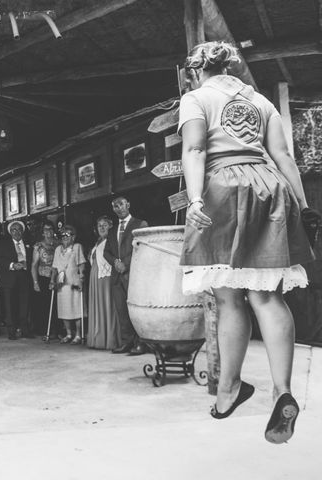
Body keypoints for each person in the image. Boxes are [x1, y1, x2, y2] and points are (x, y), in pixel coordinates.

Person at [178, 41, 317, 444]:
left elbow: (195, 148)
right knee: (269, 297)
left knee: (229, 299)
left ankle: (230, 388)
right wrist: (305, 207)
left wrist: (196, 198)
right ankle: (282, 389)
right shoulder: (260, 101)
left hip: (223, 188)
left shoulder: (196, 97)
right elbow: (283, 155)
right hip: (271, 188)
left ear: (196, 71)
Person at [104, 195, 148, 355]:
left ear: (128, 205)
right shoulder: (111, 230)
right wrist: (115, 262)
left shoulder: (139, 224)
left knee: (137, 310)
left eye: (121, 204)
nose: (118, 208)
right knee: (122, 311)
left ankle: (141, 344)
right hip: (117, 277)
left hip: (134, 275)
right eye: (115, 206)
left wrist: (126, 264)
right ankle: (127, 343)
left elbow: (142, 247)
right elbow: (106, 252)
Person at [87, 216, 120, 350]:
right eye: (99, 225)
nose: (101, 227)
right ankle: (99, 337)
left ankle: (110, 339)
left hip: (106, 277)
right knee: (99, 305)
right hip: (96, 278)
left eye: (104, 225)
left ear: (110, 227)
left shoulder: (112, 241)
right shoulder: (98, 241)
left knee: (108, 305)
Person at [0, 220, 33, 340]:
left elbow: (33, 259)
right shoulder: (3, 244)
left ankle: (24, 330)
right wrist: (12, 265)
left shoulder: (29, 243)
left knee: (25, 304)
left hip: (24, 277)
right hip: (9, 278)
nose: (16, 232)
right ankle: (11, 331)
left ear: (22, 231)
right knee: (10, 306)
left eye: (18, 229)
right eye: (13, 230)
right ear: (10, 232)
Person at [50, 225, 86, 345]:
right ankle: (69, 333)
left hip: (74, 282)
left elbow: (81, 264)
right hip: (61, 283)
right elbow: (54, 267)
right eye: (63, 235)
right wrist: (52, 281)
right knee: (64, 309)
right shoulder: (57, 249)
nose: (64, 237)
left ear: (73, 237)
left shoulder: (77, 247)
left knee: (76, 308)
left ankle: (78, 335)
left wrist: (81, 277)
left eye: (68, 234)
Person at [31, 220, 59, 337]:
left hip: (58, 277)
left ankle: (57, 329)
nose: (49, 232)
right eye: (46, 229)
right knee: (44, 305)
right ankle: (44, 329)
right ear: (42, 232)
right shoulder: (39, 246)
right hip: (43, 277)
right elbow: (34, 264)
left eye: (51, 229)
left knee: (57, 305)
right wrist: (35, 282)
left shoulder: (59, 243)